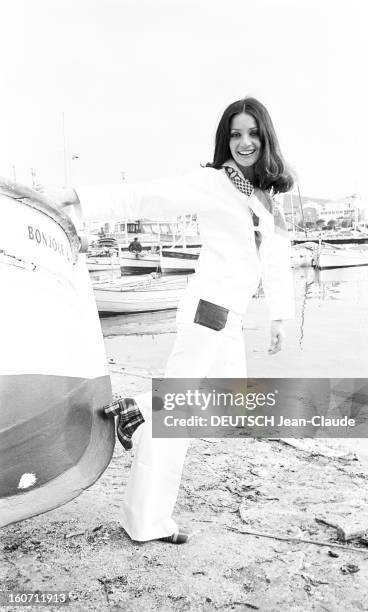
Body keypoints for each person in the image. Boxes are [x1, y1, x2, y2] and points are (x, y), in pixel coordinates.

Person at [48, 97, 295, 545]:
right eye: (235, 134)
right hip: (207, 312)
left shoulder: (264, 197)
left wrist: (280, 315)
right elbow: (147, 195)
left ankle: (139, 411)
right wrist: (79, 197)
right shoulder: (213, 183)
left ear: (266, 138)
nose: (244, 142)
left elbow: (276, 260)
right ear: (226, 140)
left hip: (231, 315)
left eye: (252, 134)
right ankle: (147, 520)